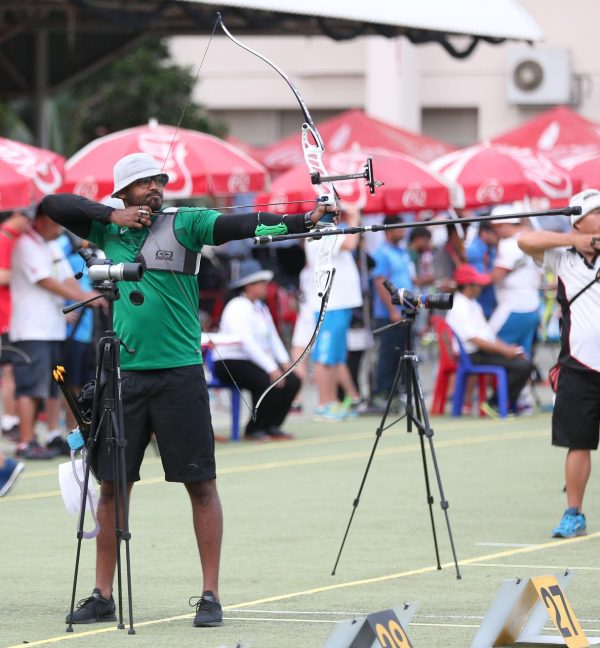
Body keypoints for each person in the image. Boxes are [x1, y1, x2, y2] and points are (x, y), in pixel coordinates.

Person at [42, 152, 335, 627]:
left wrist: (304, 219)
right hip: (126, 376)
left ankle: (210, 594)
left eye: (159, 180)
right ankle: (101, 594)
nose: (155, 188)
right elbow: (55, 204)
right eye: (142, 183)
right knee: (113, 486)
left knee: (200, 485)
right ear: (122, 193)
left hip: (180, 374)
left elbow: (246, 225)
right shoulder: (107, 230)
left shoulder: (188, 223)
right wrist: (111, 216)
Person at [517, 189, 600, 539]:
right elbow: (525, 240)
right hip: (579, 365)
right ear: (579, 221)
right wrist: (575, 240)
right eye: (597, 212)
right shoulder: (562, 256)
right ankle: (573, 512)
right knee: (577, 442)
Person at [10, 204, 96, 460]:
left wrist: (82, 297)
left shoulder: (49, 244)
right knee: (30, 387)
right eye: (55, 222)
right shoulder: (26, 243)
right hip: (31, 328)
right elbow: (45, 280)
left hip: (52, 328)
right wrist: (82, 297)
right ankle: (26, 441)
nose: (60, 228)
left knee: (51, 386)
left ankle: (47, 437)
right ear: (41, 220)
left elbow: (65, 276)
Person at [212, 259, 300, 440]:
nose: (266, 287)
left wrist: (284, 362)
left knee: (293, 381)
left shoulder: (260, 307)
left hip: (253, 360)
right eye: (261, 283)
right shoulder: (237, 306)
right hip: (230, 362)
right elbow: (246, 342)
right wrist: (271, 367)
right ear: (248, 285)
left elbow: (272, 337)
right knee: (268, 381)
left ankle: (272, 425)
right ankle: (254, 428)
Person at [445, 264, 534, 416]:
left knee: (523, 362)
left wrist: (509, 349)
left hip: (480, 352)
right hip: (472, 356)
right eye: (477, 284)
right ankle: (496, 404)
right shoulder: (459, 306)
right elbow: (476, 340)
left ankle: (503, 403)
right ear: (468, 286)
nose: (481, 287)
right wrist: (506, 351)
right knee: (523, 366)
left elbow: (489, 336)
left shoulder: (471, 303)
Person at [372, 214, 415, 402]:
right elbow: (380, 282)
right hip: (390, 314)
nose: (403, 232)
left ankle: (397, 391)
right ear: (389, 231)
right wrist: (392, 311)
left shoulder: (401, 252)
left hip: (405, 311)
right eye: (400, 228)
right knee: (389, 354)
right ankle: (383, 392)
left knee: (402, 353)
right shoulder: (382, 253)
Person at [489, 206, 541, 357]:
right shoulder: (531, 239)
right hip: (532, 306)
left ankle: (497, 382)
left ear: (504, 225)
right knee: (522, 356)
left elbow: (496, 276)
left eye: (495, 228)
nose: (495, 232)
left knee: (489, 347)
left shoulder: (509, 244)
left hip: (513, 307)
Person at [466, 221, 498, 319]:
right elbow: (480, 279)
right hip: (479, 306)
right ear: (484, 233)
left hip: (490, 305)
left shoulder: (491, 249)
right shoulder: (473, 251)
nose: (498, 236)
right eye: (495, 233)